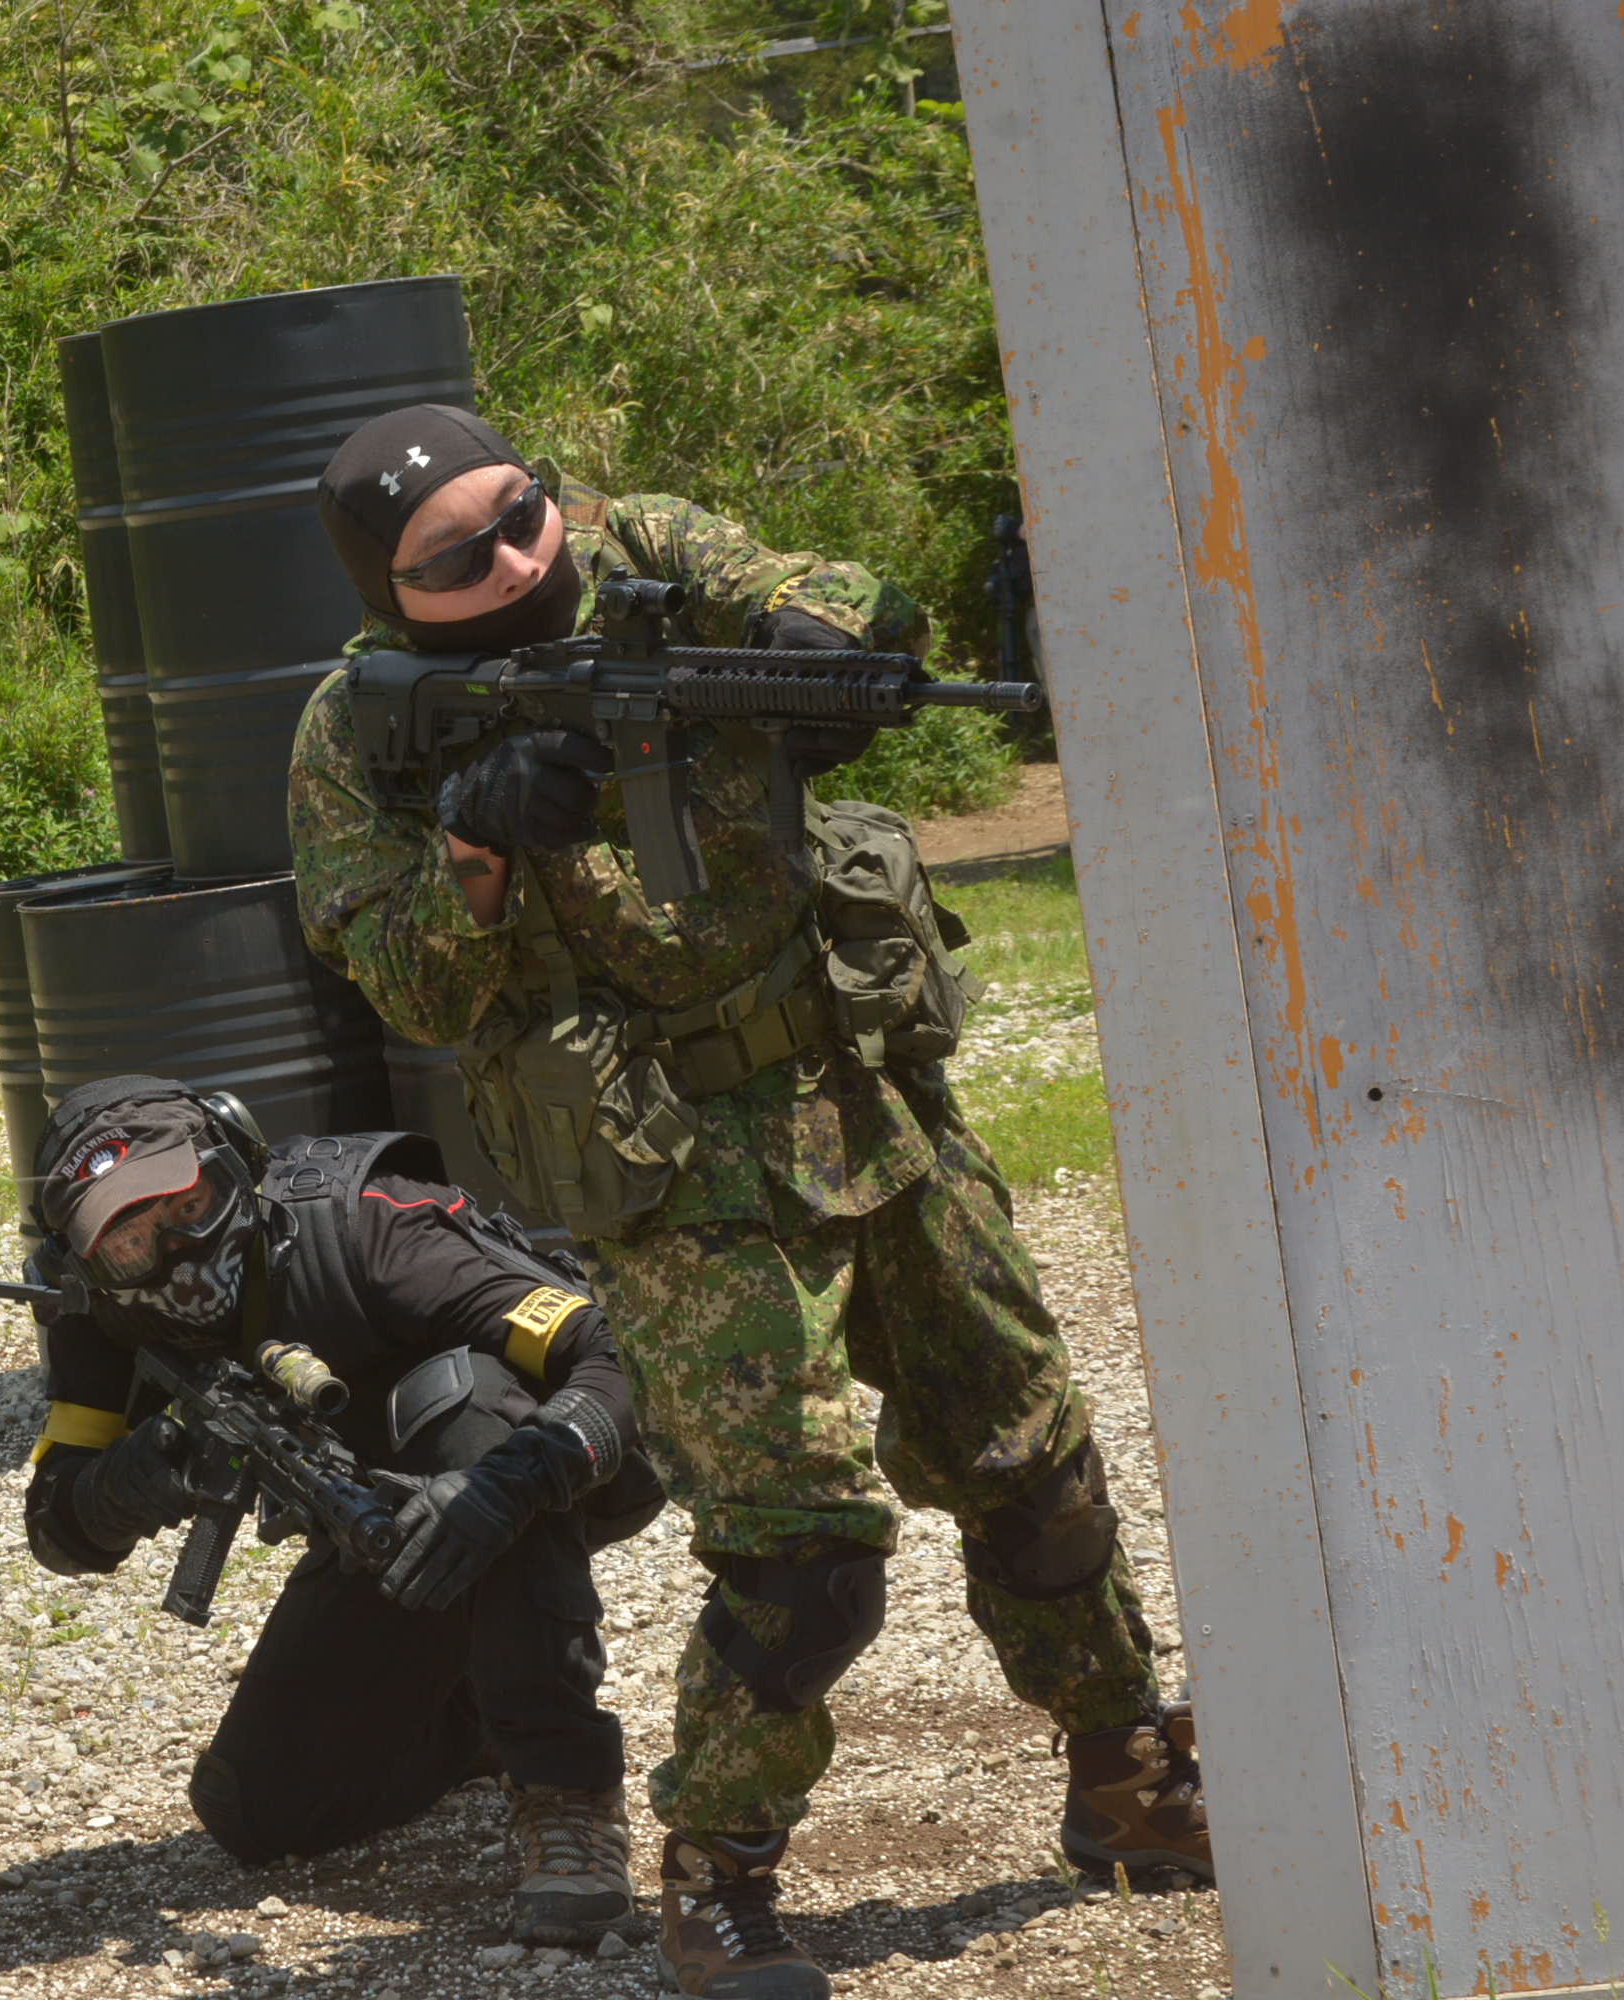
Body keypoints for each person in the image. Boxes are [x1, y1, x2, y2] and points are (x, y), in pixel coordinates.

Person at [284, 405, 1209, 2000]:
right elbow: (407, 987)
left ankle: (1127, 1772)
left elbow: (840, 595)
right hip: (669, 1163)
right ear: (388, 592)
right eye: (459, 556)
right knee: (803, 1547)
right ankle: (717, 1874)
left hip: (858, 1091)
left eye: (524, 512)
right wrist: (479, 847)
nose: (517, 557)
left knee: (1029, 1449)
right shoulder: (348, 735)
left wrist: (815, 648)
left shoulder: (642, 548)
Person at [19, 1074, 668, 1947]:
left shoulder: (367, 1223)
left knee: (466, 1404)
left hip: (541, 1479)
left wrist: (513, 1483)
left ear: (235, 1159)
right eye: (130, 1243)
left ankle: (568, 1796)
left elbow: (623, 1357)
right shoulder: (100, 1312)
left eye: (188, 1206)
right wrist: (143, 1473)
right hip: (377, 1531)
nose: (172, 1251)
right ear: (86, 1260)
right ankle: (474, 1709)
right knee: (259, 1811)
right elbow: (57, 1529)